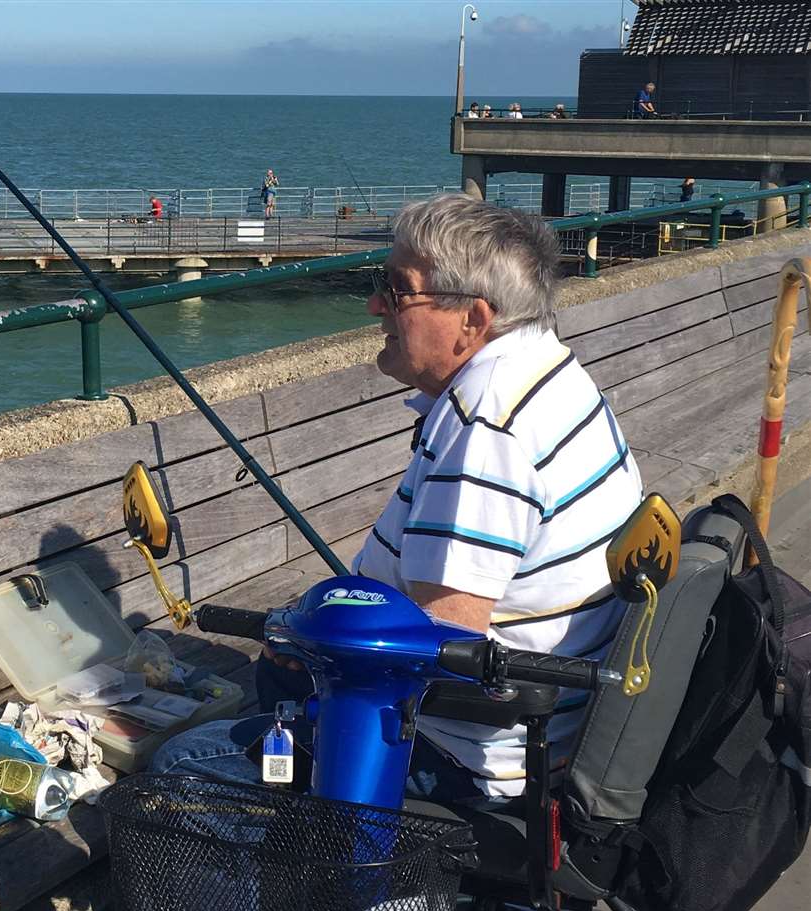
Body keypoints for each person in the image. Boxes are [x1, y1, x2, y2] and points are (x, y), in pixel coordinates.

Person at [153, 194, 644, 807]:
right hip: (555, 717)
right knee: (279, 667)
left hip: (468, 755)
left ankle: (336, 893)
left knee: (182, 767)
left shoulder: (487, 431)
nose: (375, 304)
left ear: (473, 319)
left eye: (397, 288)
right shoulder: (549, 371)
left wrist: (315, 643)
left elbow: (444, 644)